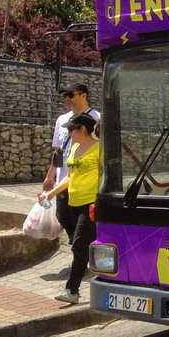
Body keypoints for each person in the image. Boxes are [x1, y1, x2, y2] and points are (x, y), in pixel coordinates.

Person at [39, 112, 100, 304]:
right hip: (73, 203)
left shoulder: (99, 149)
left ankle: (72, 290)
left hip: (90, 204)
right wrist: (51, 194)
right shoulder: (74, 148)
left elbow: (107, 175)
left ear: (81, 129)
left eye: (71, 130)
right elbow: (69, 177)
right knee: (83, 246)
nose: (68, 134)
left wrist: (101, 200)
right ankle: (104, 272)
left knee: (79, 246)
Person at [42, 83, 99, 243]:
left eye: (71, 95)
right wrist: (50, 176)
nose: (67, 99)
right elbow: (58, 150)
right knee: (63, 216)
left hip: (86, 185)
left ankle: (80, 252)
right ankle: (80, 248)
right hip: (64, 180)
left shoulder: (98, 119)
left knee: (84, 223)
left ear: (84, 96)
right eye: (64, 96)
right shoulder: (62, 120)